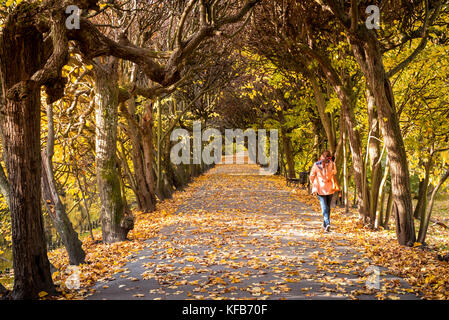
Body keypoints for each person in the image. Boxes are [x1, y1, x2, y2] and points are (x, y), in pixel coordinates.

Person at [309, 150, 340, 232]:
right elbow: (335, 172)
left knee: (324, 207)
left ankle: (327, 222)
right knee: (328, 206)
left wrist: (313, 183)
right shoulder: (332, 164)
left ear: (321, 156)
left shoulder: (316, 165)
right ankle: (325, 224)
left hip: (320, 188)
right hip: (329, 187)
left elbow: (312, 176)